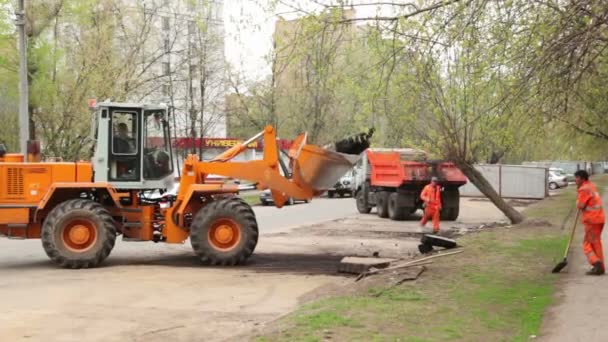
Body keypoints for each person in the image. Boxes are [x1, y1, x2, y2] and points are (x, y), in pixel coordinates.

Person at [575, 170, 605, 275]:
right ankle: (601, 267)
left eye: (577, 178)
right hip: (599, 219)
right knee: (596, 243)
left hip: (592, 220)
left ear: (582, 178)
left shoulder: (583, 189)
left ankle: (596, 263)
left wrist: (578, 198)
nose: (575, 180)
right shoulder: (591, 186)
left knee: (586, 244)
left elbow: (580, 205)